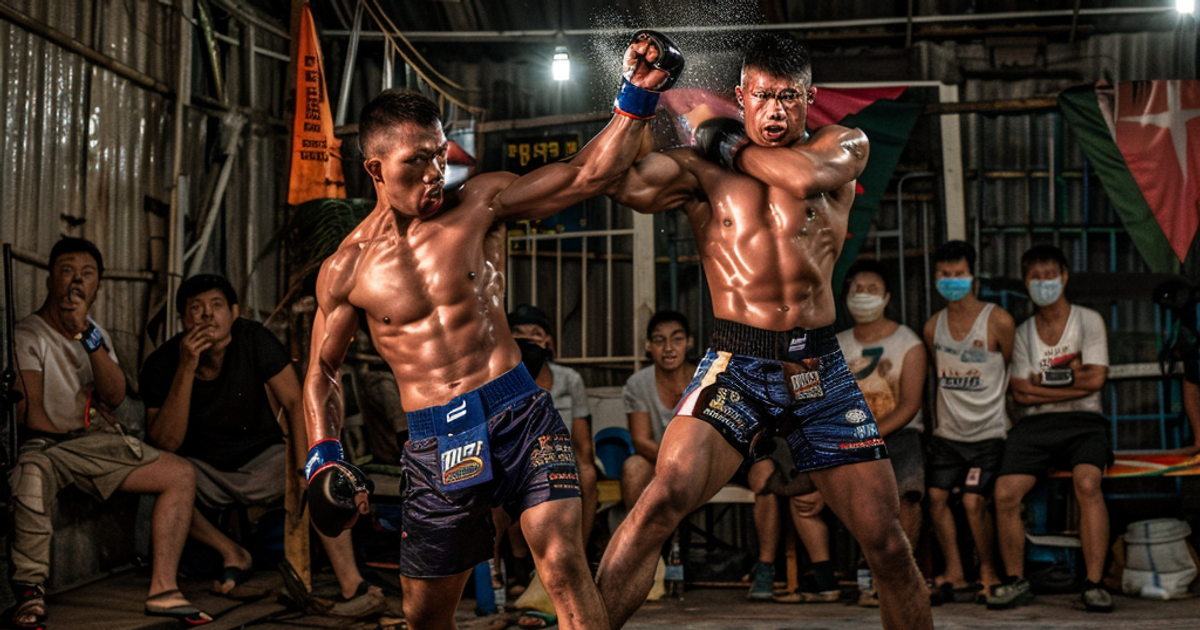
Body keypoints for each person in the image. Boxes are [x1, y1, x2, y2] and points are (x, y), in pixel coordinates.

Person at [301, 32, 683, 630]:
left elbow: (584, 174)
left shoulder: (478, 202)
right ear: (375, 168)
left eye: (438, 154)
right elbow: (322, 370)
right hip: (434, 440)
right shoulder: (345, 270)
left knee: (561, 561)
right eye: (415, 162)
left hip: (518, 413)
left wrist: (636, 93)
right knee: (427, 616)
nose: (434, 172)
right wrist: (322, 455)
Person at [594, 33, 933, 630]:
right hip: (737, 363)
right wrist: (638, 96)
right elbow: (621, 182)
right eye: (763, 97)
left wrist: (720, 138)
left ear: (810, 98)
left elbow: (802, 176)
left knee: (887, 545)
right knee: (657, 504)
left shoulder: (844, 143)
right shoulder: (700, 170)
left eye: (789, 97)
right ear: (740, 95)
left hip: (818, 369)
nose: (775, 112)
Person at [138, 274, 383, 615]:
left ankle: (353, 584)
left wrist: (303, 469)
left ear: (234, 312)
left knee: (326, 478)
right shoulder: (164, 362)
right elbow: (165, 441)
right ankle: (231, 552)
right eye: (196, 309)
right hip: (202, 472)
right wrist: (187, 366)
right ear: (182, 320)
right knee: (157, 477)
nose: (207, 316)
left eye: (217, 306)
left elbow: (297, 403)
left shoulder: (253, 339)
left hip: (267, 461)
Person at [10, 238, 210, 627]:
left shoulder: (94, 333)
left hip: (90, 442)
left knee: (180, 474)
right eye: (67, 271)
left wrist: (86, 335)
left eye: (87, 275)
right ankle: (29, 594)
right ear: (50, 279)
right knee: (28, 474)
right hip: (49, 445)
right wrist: (82, 425)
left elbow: (115, 395)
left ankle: (163, 590)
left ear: (97, 287)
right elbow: (30, 416)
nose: (76, 282)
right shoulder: (28, 334)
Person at [987, 244, 1114, 612]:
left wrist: (1043, 384)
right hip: (1035, 427)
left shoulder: (1088, 321)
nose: (1043, 282)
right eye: (1035, 276)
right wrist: (1072, 374)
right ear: (1026, 282)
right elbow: (1021, 393)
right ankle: (1016, 580)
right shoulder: (1023, 331)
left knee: (1087, 482)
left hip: (1085, 422)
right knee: (1005, 493)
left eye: (1049, 274)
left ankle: (1093, 583)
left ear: (1064, 276)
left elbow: (1096, 381)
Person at [922, 240, 1014, 604]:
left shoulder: (999, 320)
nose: (952, 280)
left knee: (975, 502)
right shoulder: (933, 327)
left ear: (973, 275)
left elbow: (1012, 370)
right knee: (936, 496)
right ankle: (957, 574)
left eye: (959, 274)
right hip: (949, 434)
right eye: (945, 275)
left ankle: (989, 573)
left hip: (989, 434)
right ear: (936, 278)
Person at [834, 259, 928, 604]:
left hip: (898, 435)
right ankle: (859, 572)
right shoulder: (837, 345)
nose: (863, 296)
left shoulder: (909, 343)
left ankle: (901, 573)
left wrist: (871, 436)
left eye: (872, 289)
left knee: (909, 492)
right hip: (847, 437)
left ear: (887, 297)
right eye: (857, 289)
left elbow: (909, 407)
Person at [620, 310, 694, 509]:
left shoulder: (704, 381)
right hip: (658, 460)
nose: (668, 348)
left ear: (689, 342)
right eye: (659, 340)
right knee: (633, 467)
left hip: (699, 462)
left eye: (677, 339)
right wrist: (674, 463)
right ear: (649, 346)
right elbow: (641, 441)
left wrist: (691, 463)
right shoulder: (638, 384)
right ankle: (640, 540)